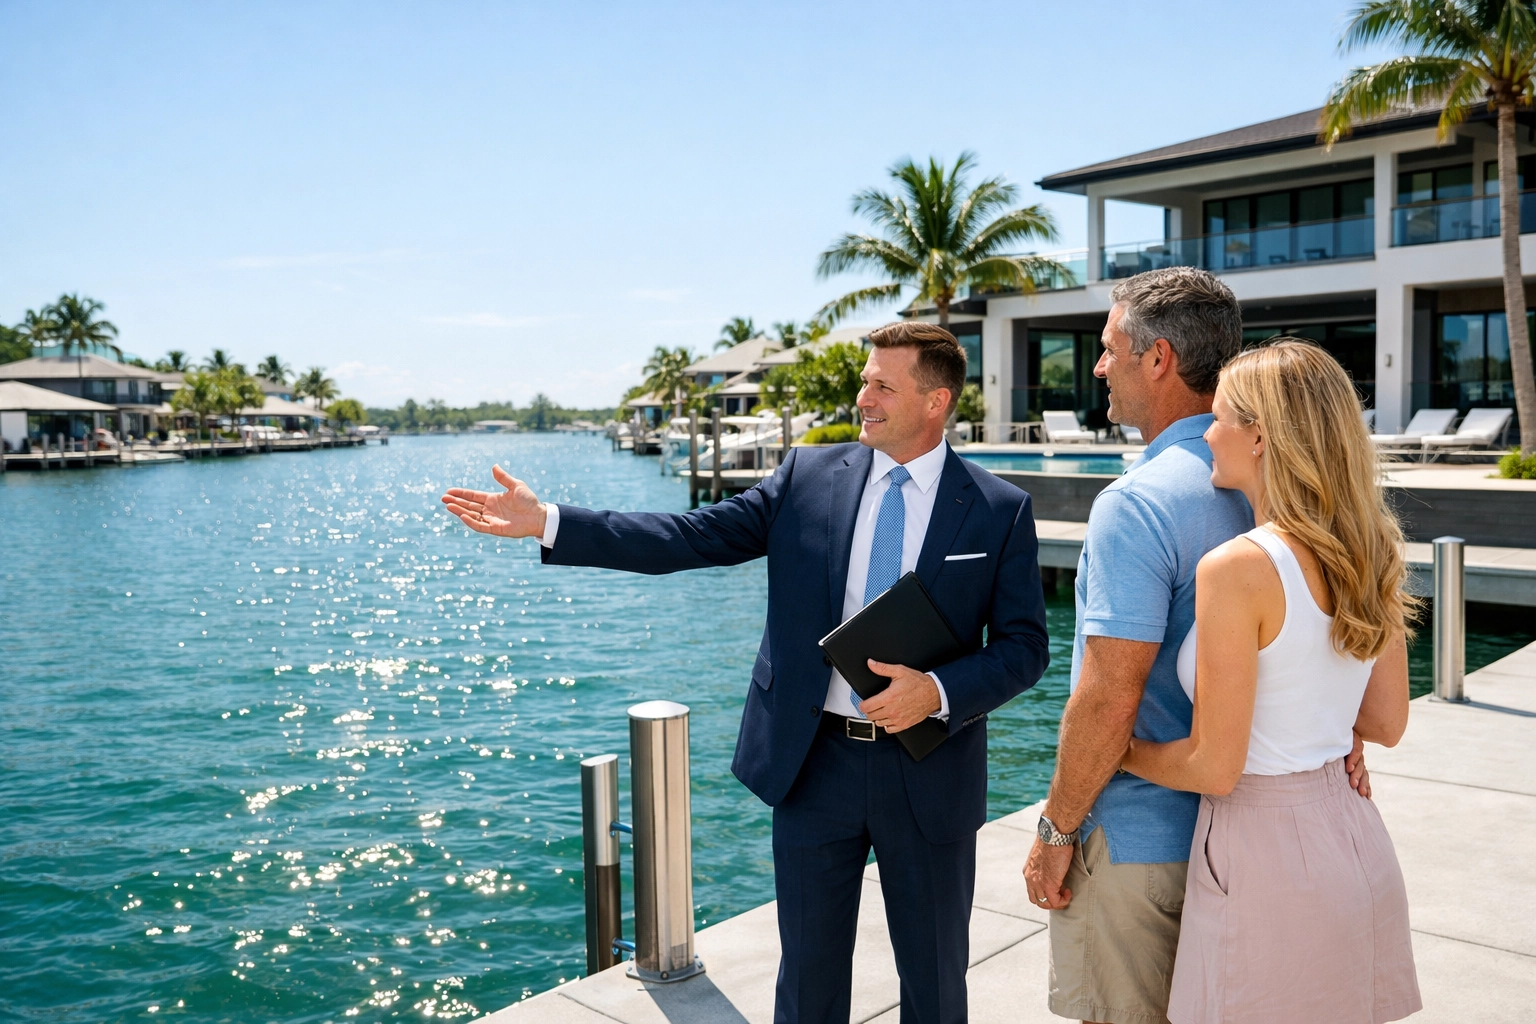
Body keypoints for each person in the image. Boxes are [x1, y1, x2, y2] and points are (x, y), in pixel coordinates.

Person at [442, 321, 1050, 1024]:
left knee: (937, 980)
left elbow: (1023, 647)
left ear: (936, 400)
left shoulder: (999, 511)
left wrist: (938, 692)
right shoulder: (807, 475)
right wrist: (549, 521)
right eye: (864, 380)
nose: (864, 396)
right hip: (812, 764)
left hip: (929, 767)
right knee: (809, 980)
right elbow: (688, 537)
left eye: (883, 384)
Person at [1118, 339, 1421, 1022]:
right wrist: (1318, 718)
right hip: (1351, 836)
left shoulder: (1238, 569)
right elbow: (1385, 724)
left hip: (1261, 857)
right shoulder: (1373, 547)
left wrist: (1119, 748)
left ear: (1259, 437)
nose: (1208, 434)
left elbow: (1214, 767)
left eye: (1220, 417)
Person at [1023, 267, 1274, 1024]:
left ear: (1158, 358)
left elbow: (1108, 697)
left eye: (1108, 349)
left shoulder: (1137, 504)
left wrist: (1056, 829)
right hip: (1245, 841)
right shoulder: (1275, 487)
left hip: (1140, 847)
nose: (1099, 366)